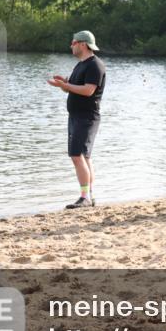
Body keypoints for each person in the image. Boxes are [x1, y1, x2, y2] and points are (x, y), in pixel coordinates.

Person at [47, 30, 106, 209]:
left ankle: (85, 197)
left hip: (86, 117)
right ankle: (89, 195)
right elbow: (72, 87)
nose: (71, 45)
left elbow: (88, 90)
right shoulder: (81, 65)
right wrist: (63, 84)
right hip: (76, 116)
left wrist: (66, 85)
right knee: (84, 157)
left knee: (76, 155)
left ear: (83, 44)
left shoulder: (95, 65)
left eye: (73, 42)